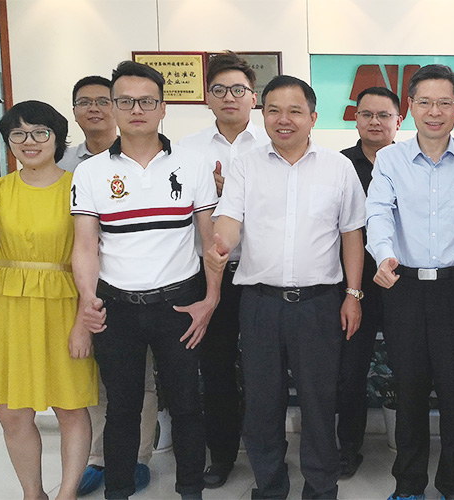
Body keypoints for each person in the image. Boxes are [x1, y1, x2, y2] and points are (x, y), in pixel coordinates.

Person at [207, 74, 366, 500]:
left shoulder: (338, 167)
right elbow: (230, 219)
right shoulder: (247, 165)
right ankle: (270, 486)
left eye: (295, 111)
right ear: (263, 114)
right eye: (274, 110)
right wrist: (221, 243)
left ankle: (321, 486)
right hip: (260, 304)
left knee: (319, 402)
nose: (284, 119)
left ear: (312, 117)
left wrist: (353, 294)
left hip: (319, 304)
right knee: (262, 403)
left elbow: (352, 234)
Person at [70, 60, 221, 500]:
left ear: (163, 107)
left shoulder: (192, 164)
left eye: (147, 101)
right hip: (116, 307)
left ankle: (190, 489)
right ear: (114, 108)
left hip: (180, 304)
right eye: (126, 101)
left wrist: (211, 298)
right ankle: (118, 490)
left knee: (187, 404)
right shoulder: (91, 172)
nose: (137, 109)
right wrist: (87, 299)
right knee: (122, 408)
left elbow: (211, 241)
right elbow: (85, 246)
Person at [0, 100, 97, 500]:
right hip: (8, 307)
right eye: (18, 134)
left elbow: (90, 252)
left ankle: (67, 493)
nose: (30, 141)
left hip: (63, 303)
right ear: (8, 142)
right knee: (11, 412)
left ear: (58, 138)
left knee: (70, 406)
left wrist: (84, 319)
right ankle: (33, 493)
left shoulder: (80, 185)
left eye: (40, 132)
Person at [366, 63, 454, 500]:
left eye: (444, 102)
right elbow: (378, 214)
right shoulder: (390, 159)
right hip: (403, 285)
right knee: (408, 390)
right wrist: (383, 255)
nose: (434, 111)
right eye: (425, 102)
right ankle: (408, 486)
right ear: (411, 106)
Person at [59, 74, 158, 497]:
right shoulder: (63, 163)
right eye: (86, 102)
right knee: (96, 377)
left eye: (103, 100)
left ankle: (137, 458)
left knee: (140, 377)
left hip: (131, 283)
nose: (94, 109)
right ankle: (100, 457)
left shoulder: (146, 155)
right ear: (74, 110)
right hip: (77, 281)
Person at [178, 50, 270, 489]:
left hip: (259, 275)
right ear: (207, 97)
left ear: (253, 97)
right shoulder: (186, 150)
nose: (229, 97)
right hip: (206, 274)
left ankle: (266, 456)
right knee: (214, 370)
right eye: (219, 90)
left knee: (262, 372)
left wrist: (233, 193)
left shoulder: (272, 145)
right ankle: (221, 456)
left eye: (238, 90)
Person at [337, 85, 402, 479]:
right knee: (350, 371)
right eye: (367, 114)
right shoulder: (339, 165)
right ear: (356, 118)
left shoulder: (411, 162)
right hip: (353, 286)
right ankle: (347, 448)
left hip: (402, 285)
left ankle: (410, 449)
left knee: (411, 369)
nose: (375, 122)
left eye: (384, 115)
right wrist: (351, 290)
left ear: (399, 120)